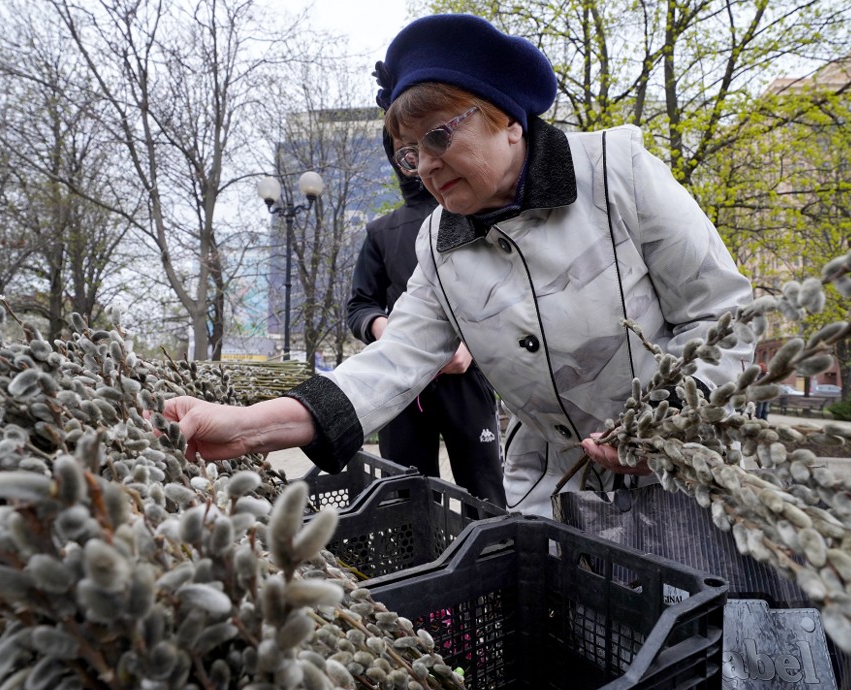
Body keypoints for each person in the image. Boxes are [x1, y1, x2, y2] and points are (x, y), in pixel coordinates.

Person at [164, 13, 754, 517]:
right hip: (554, 491)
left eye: (439, 136)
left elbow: (723, 313)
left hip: (690, 474)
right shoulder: (437, 245)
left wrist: (668, 424)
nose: (423, 164)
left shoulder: (616, 170)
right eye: (409, 151)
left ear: (508, 120)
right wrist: (241, 428)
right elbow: (388, 367)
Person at [347, 130, 505, 506]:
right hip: (402, 385)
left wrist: (470, 345)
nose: (419, 162)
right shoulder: (382, 232)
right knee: (405, 495)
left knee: (485, 489)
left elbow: (504, 295)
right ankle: (421, 564)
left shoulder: (478, 219)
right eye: (405, 153)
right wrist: (388, 331)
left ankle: (495, 559)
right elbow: (359, 306)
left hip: (466, 378)